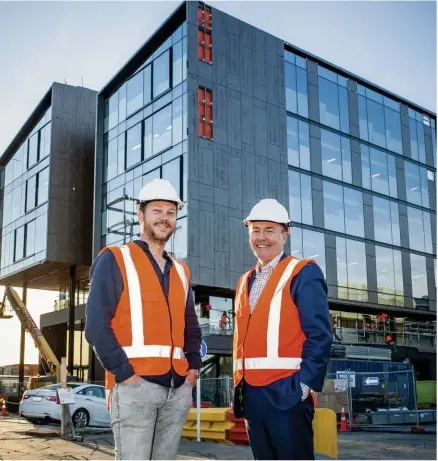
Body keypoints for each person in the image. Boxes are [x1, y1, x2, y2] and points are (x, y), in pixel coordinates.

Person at [85, 179, 202, 460]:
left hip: (177, 390)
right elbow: (96, 326)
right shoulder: (115, 258)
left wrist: (193, 371)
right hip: (135, 387)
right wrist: (125, 375)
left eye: (171, 213)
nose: (165, 218)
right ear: (141, 215)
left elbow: (191, 327)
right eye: (157, 211)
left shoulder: (182, 271)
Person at [233, 198, 332, 460]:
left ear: (284, 235)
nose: (261, 238)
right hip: (251, 396)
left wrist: (303, 387)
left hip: (287, 395)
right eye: (255, 230)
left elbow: (320, 335)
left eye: (269, 230)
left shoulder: (303, 272)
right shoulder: (244, 281)